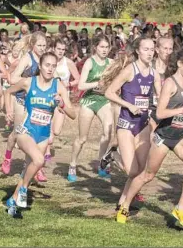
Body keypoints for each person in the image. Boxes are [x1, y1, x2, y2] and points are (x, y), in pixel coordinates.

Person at [115, 47, 183, 230]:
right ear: (179, 63)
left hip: (181, 135)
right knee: (147, 175)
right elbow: (160, 113)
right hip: (163, 136)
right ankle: (124, 206)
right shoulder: (170, 83)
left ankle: (180, 209)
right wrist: (182, 111)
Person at [4, 52, 76, 215]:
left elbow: (73, 114)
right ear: (40, 66)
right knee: (39, 160)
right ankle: (23, 190)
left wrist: (62, 104)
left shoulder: (58, 86)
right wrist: (9, 110)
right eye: (47, 65)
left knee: (29, 169)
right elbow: (8, 92)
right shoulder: (29, 82)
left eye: (53, 66)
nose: (50, 69)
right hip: (26, 130)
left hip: (43, 135)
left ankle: (13, 201)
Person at [105, 36, 160, 207]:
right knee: (131, 170)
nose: (149, 53)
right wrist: (128, 105)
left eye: (152, 49)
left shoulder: (154, 74)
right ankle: (113, 155)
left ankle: (123, 203)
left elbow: (161, 99)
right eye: (146, 49)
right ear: (137, 51)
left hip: (143, 124)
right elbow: (109, 92)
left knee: (139, 172)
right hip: (126, 124)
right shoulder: (130, 70)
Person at [1, 32, 47, 181]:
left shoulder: (46, 60)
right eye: (39, 45)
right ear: (33, 45)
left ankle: (35, 165)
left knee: (35, 135)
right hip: (21, 100)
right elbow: (13, 78)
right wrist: (30, 80)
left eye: (44, 46)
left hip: (36, 103)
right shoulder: (28, 58)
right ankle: (8, 156)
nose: (42, 48)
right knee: (17, 132)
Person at [68, 34, 113, 182]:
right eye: (102, 47)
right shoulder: (90, 62)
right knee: (82, 138)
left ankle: (101, 163)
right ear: (95, 47)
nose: (104, 50)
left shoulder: (111, 63)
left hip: (103, 100)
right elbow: (81, 85)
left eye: (107, 47)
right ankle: (73, 164)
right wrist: (97, 84)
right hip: (88, 100)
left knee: (108, 131)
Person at [44, 38, 80, 161]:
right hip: (49, 97)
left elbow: (78, 79)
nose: (60, 51)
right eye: (58, 49)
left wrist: (67, 85)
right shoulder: (48, 61)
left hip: (63, 98)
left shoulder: (68, 62)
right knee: (48, 123)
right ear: (53, 48)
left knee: (57, 130)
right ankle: (46, 149)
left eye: (63, 49)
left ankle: (48, 141)